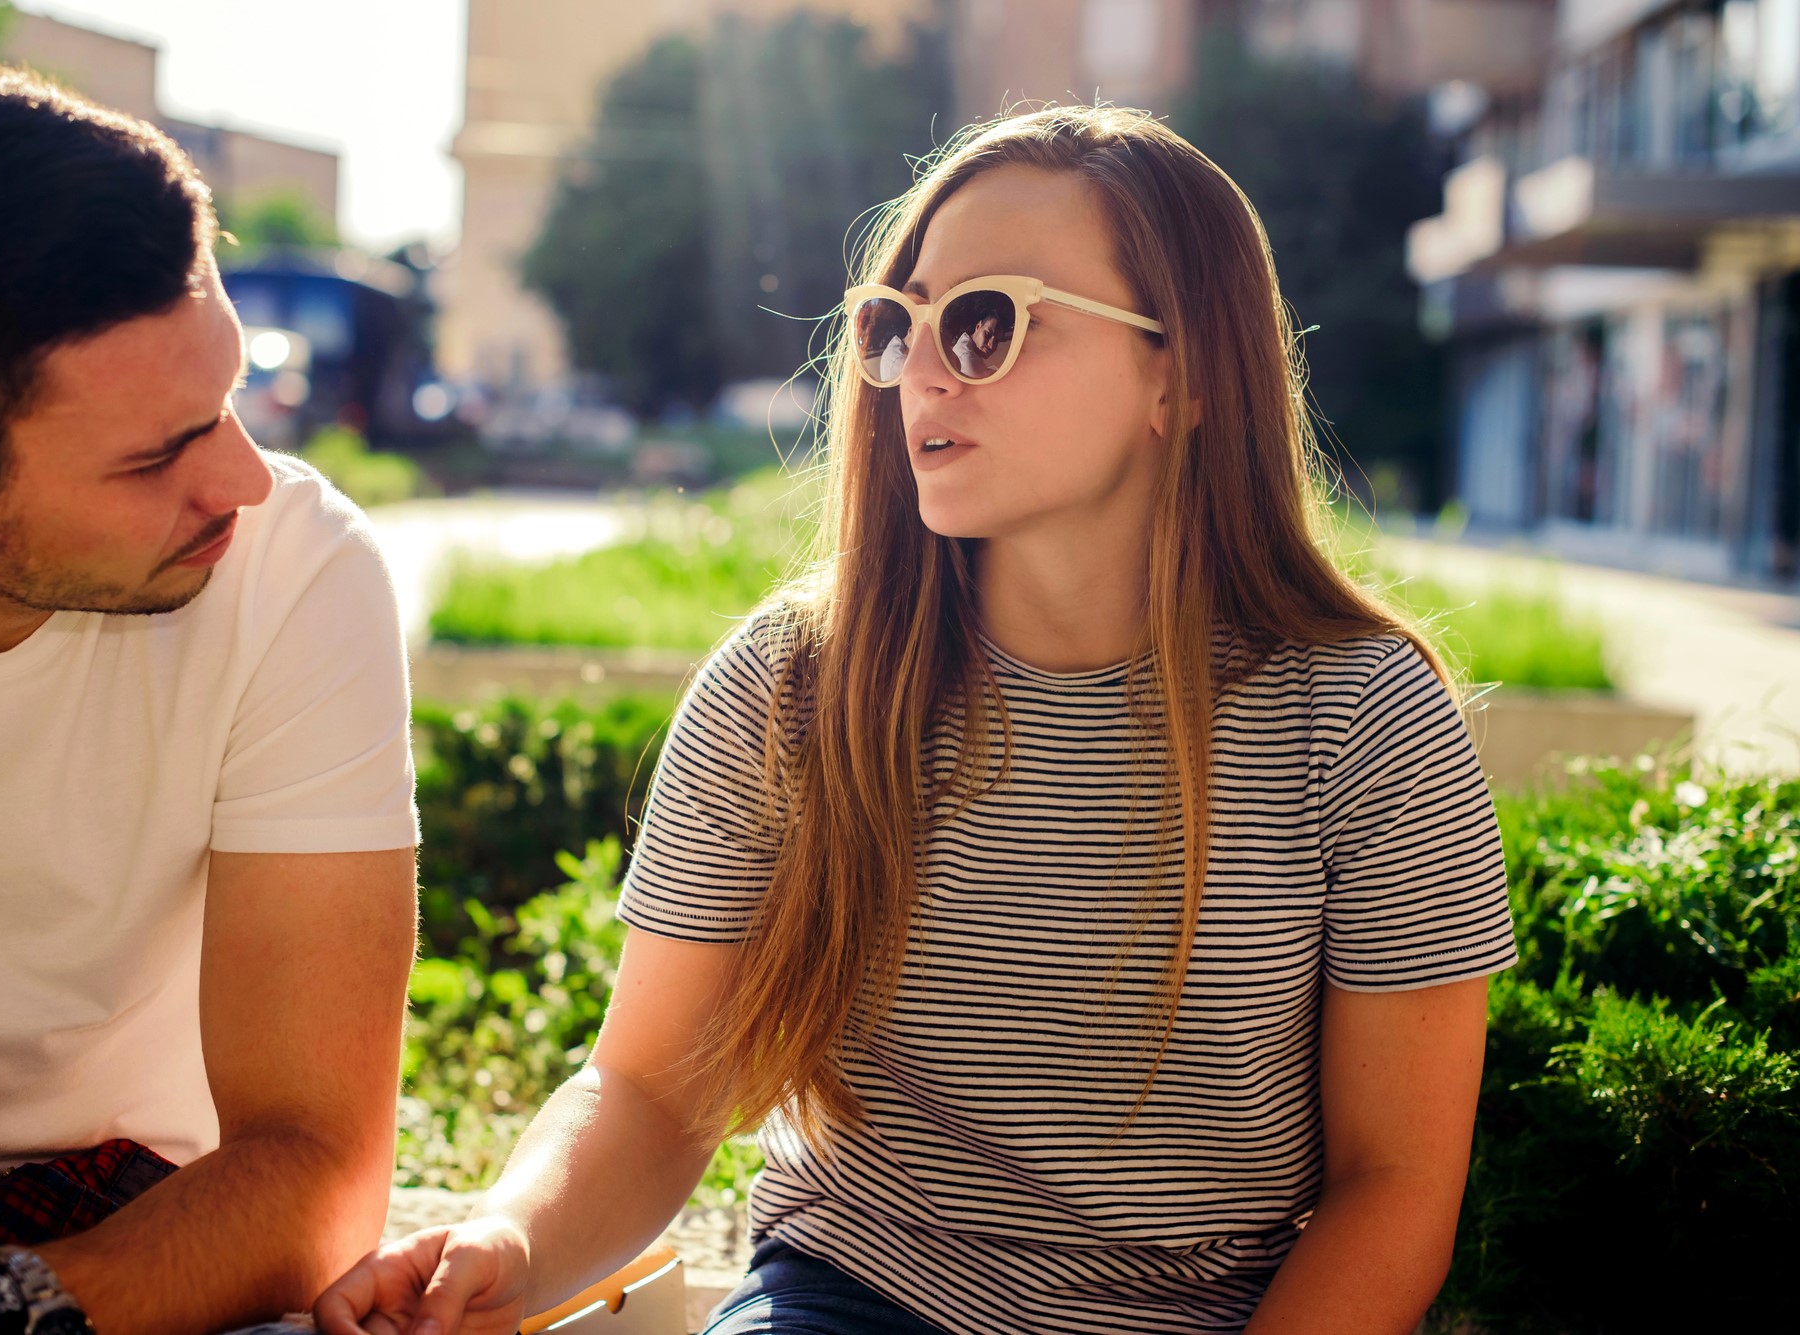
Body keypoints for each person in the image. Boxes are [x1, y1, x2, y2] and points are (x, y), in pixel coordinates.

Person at [316, 105, 1515, 1335]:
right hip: (854, 1295)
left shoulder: (1362, 716)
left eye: (987, 321)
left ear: (1182, 373)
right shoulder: (792, 682)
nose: (923, 370)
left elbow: (1394, 1184)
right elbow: (649, 1089)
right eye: (896, 325)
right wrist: (505, 1239)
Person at [0, 64, 419, 1335]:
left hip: (128, 1222)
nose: (245, 481)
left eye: (231, 396)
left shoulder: (297, 570)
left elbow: (316, 1167)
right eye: (156, 455)